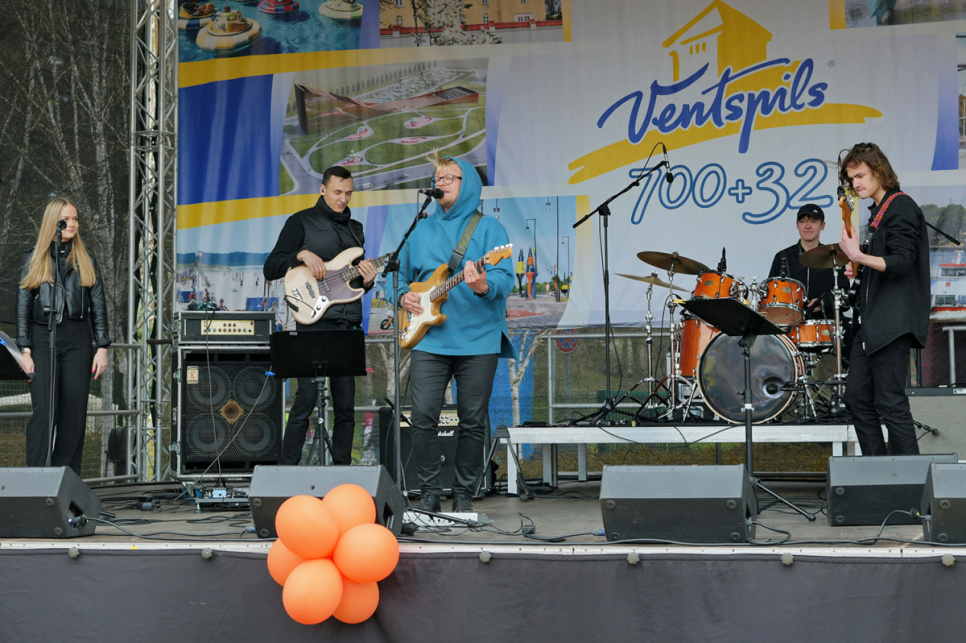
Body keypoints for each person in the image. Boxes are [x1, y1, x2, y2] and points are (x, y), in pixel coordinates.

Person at [395, 154, 515, 513]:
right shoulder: (420, 228)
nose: (441, 182)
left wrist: (482, 285)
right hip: (429, 338)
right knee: (422, 417)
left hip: (478, 339)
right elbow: (397, 274)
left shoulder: (490, 229)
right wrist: (402, 295)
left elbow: (504, 279)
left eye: (450, 177)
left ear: (469, 185)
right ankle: (430, 491)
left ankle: (464, 494)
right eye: (438, 177)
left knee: (473, 420)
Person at [264, 166, 377, 466]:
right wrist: (299, 255)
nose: (343, 199)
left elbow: (355, 282)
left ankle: (342, 471)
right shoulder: (300, 221)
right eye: (337, 192)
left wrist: (368, 280)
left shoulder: (356, 229)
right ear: (322, 189)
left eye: (348, 193)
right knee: (305, 399)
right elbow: (271, 267)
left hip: (346, 323)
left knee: (346, 406)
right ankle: (286, 470)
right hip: (312, 322)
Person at [837, 142, 930, 456]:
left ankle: (911, 480)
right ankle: (878, 471)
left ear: (879, 171)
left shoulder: (900, 206)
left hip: (893, 323)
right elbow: (886, 264)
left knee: (890, 401)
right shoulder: (880, 211)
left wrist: (859, 257)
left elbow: (903, 262)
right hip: (874, 322)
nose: (855, 184)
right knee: (856, 398)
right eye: (851, 179)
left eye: (860, 176)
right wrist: (861, 269)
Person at [16, 197, 110, 475]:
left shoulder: (86, 258)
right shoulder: (34, 258)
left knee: (74, 416)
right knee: (44, 415)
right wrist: (24, 350)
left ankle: (65, 482)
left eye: (75, 219)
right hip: (42, 337)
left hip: (78, 339)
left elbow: (99, 306)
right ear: (53, 222)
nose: (72, 224)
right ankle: (36, 480)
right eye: (66, 219)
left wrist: (102, 347)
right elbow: (22, 307)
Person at [768, 204, 851, 320]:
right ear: (797, 225)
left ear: (823, 226)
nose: (807, 226)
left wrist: (824, 302)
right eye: (802, 221)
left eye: (813, 221)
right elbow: (772, 296)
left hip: (826, 324)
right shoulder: (783, 257)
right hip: (791, 323)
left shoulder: (835, 256)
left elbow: (846, 298)